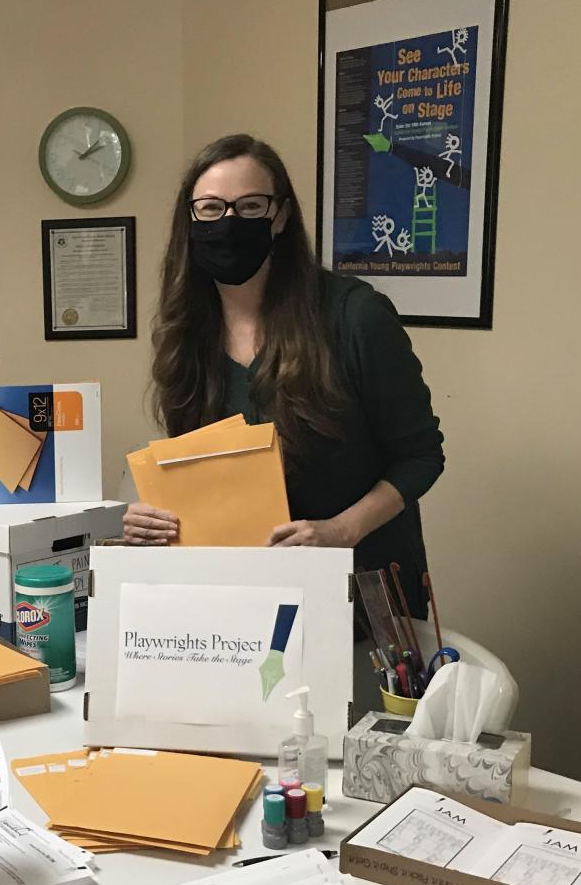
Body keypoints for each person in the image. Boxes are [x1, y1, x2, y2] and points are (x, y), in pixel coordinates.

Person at [123, 134, 444, 618]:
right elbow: (203, 473)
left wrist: (341, 530)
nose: (229, 223)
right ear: (189, 221)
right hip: (245, 597)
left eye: (250, 206)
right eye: (210, 209)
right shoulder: (186, 331)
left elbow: (421, 457)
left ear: (281, 216)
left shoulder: (355, 316)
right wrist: (157, 519)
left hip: (361, 595)